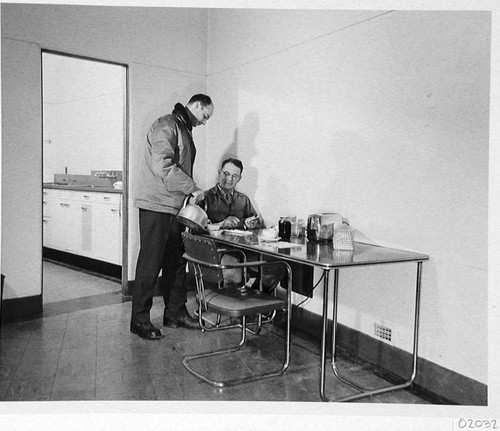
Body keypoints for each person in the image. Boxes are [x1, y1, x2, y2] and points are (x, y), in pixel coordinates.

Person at [131, 94, 214, 340]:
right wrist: (193, 188)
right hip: (157, 205)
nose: (204, 121)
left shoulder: (182, 127)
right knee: (150, 263)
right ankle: (139, 321)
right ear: (197, 105)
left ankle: (175, 313)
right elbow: (163, 165)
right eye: (205, 115)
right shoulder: (167, 125)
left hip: (173, 207)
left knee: (177, 263)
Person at [201, 158, 286, 292]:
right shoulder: (206, 197)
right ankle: (233, 307)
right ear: (219, 173)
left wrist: (253, 224)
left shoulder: (243, 199)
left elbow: (258, 225)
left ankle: (256, 301)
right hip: (218, 251)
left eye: (234, 176)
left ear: (239, 178)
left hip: (245, 250)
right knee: (233, 269)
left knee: (278, 265)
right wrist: (221, 224)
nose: (229, 179)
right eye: (226, 173)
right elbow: (197, 230)